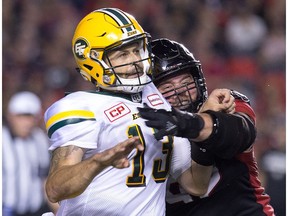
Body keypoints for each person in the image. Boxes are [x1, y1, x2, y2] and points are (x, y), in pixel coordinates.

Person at [43, 8, 236, 216]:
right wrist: (99, 161)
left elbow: (195, 184)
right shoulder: (80, 106)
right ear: (92, 61)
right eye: (123, 54)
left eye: (137, 50)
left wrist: (204, 123)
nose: (135, 60)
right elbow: (55, 189)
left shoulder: (157, 98)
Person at [138, 38, 275, 216]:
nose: (180, 92)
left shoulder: (222, 102)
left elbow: (241, 133)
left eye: (186, 83)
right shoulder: (139, 127)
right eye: (168, 87)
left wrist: (198, 122)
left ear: (198, 80)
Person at [2, 91, 56, 216]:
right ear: (10, 116)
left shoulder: (40, 139)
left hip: (36, 211)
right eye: (21, 116)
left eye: (30, 117)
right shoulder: (2, 140)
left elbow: (44, 178)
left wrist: (57, 209)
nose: (26, 123)